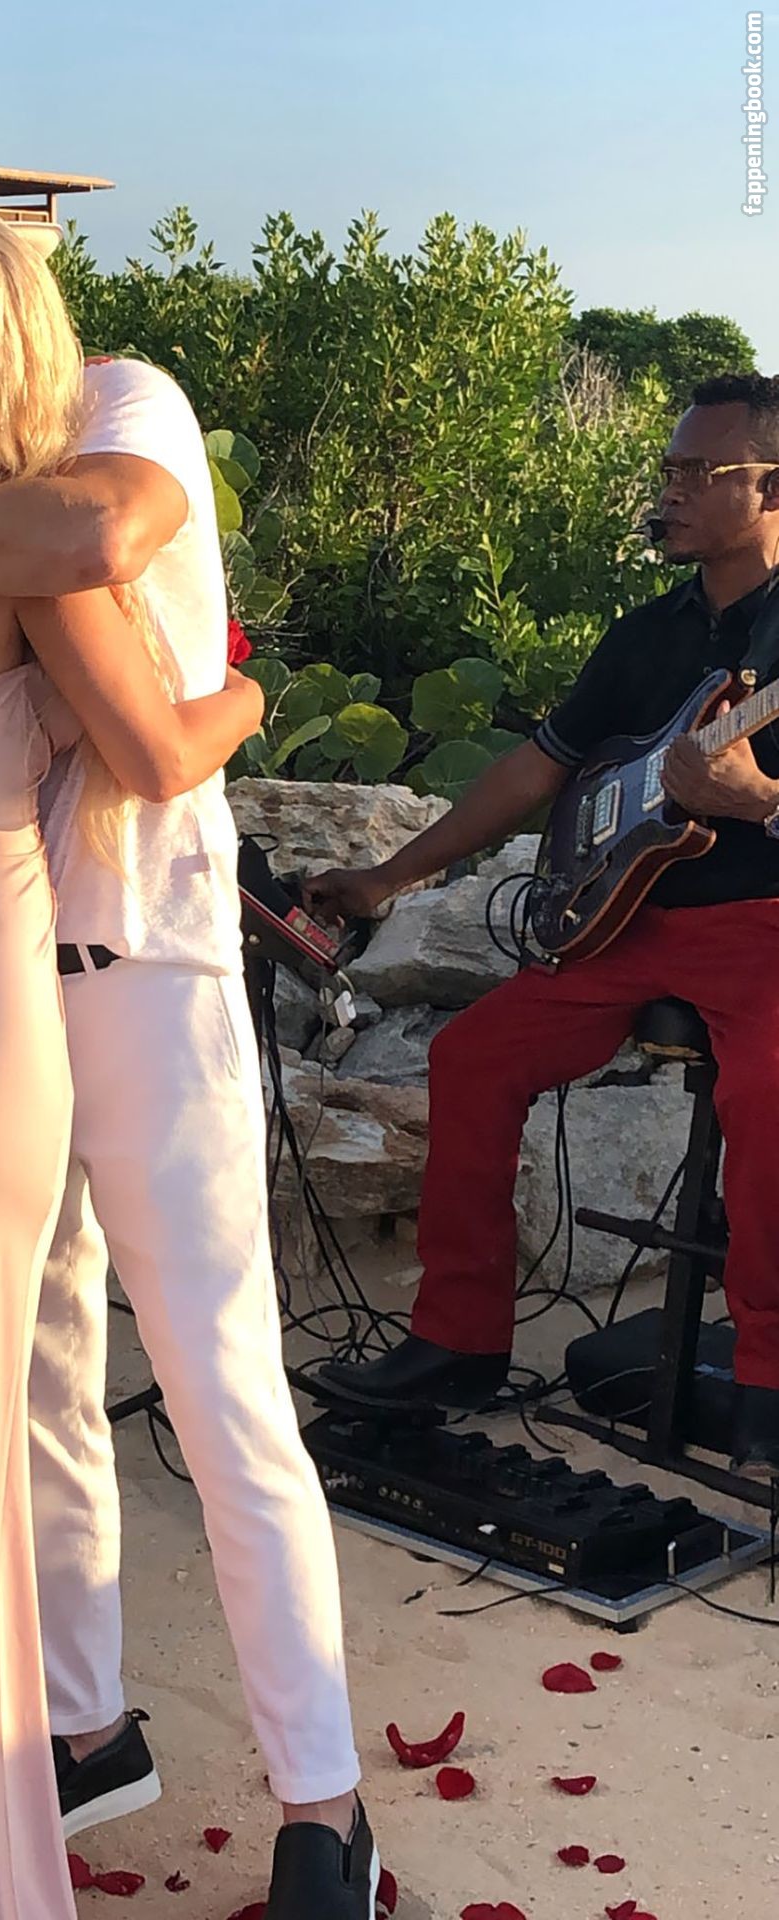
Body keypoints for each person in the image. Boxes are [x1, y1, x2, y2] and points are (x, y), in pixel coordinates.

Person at [0, 160, 379, 1920]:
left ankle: (324, 1804)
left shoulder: (116, 402)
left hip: (147, 964)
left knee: (219, 1384)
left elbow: (88, 544)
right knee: (36, 1389)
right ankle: (84, 1726)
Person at [305, 371, 779, 1481]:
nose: (669, 490)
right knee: (472, 1057)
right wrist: (387, 878)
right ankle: (457, 1342)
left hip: (765, 930)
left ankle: (768, 1382)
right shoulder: (645, 634)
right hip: (629, 924)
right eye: (667, 468)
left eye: (697, 471)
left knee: (766, 1098)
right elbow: (535, 771)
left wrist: (759, 798)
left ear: (770, 489)